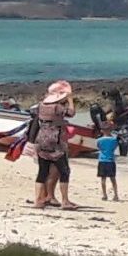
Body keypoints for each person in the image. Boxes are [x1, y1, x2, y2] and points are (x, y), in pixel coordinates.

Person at [31, 81, 79, 211]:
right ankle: (65, 201)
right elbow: (71, 113)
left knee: (42, 171)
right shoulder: (57, 108)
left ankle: (38, 199)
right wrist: (70, 100)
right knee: (64, 170)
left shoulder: (40, 106)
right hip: (55, 139)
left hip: (41, 138)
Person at [95, 126, 121, 202]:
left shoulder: (99, 140)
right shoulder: (114, 140)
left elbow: (99, 147)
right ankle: (116, 195)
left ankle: (104, 195)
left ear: (102, 131)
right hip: (111, 160)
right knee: (113, 179)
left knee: (103, 179)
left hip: (102, 160)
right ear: (111, 130)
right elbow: (114, 148)